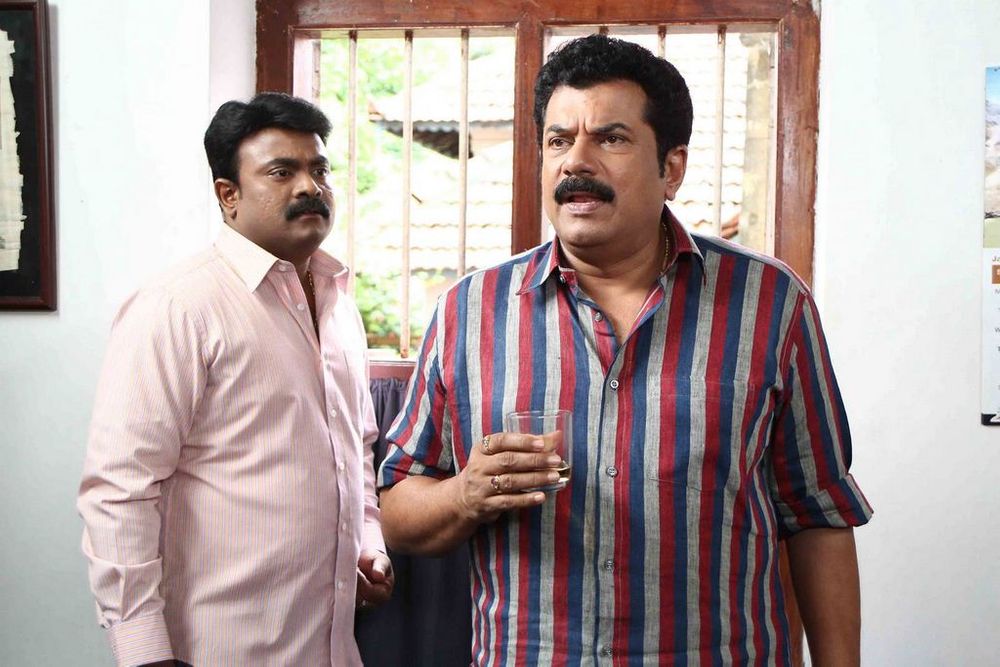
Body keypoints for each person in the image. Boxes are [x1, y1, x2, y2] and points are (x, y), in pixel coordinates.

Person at [378, 35, 872, 665]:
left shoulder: (769, 304)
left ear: (672, 168)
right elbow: (396, 508)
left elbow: (819, 515)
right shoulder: (469, 311)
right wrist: (465, 494)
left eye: (610, 139)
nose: (575, 163)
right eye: (559, 140)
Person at [77, 92, 393, 667]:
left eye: (319, 169)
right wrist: (143, 650)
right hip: (219, 648)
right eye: (282, 172)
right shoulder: (177, 307)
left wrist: (367, 543)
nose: (310, 187)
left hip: (329, 646)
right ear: (228, 195)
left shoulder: (339, 305)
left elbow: (357, 448)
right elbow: (120, 489)